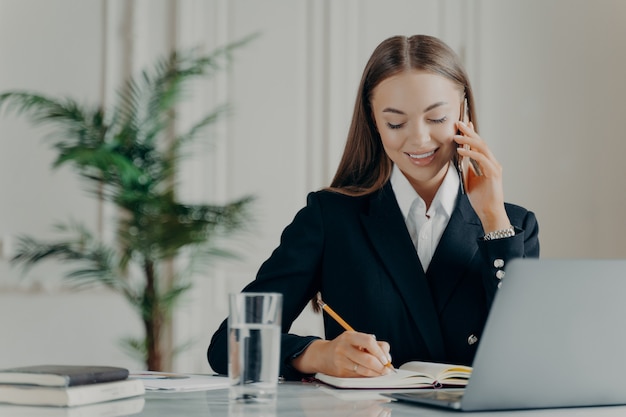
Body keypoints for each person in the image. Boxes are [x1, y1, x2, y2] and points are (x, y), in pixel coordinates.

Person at [208, 34, 539, 381]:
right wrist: (318, 354)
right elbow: (228, 343)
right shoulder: (330, 218)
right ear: (373, 120)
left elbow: (531, 352)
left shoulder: (513, 226)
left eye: (437, 118)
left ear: (464, 110)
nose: (419, 139)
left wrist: (493, 218)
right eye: (396, 123)